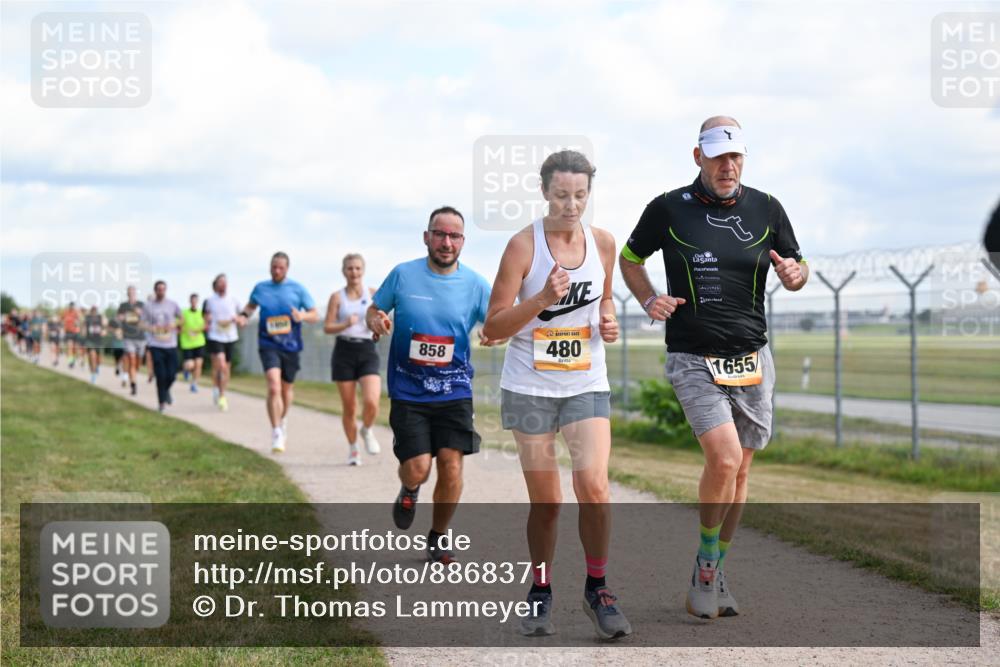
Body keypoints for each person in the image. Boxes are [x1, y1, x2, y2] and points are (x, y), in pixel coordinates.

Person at [620, 116, 808, 619]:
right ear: (698, 156)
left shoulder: (767, 207)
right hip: (692, 356)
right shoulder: (667, 208)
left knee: (740, 471)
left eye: (736, 156)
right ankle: (706, 568)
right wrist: (649, 299)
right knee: (724, 461)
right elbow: (630, 258)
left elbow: (797, 266)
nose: (728, 166)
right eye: (719, 156)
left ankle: (717, 569)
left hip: (753, 358)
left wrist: (796, 275)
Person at [483, 150, 631, 640]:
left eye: (581, 196)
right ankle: (541, 589)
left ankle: (598, 588)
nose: (572, 205)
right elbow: (494, 326)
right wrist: (544, 298)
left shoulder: (603, 243)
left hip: (585, 383)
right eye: (563, 195)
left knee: (594, 487)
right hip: (529, 386)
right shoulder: (522, 246)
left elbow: (604, 300)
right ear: (545, 191)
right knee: (547, 502)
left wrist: (608, 320)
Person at [366, 206, 499, 564]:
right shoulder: (403, 275)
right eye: (439, 234)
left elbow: (497, 323)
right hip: (409, 391)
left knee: (452, 466)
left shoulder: (475, 284)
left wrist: (494, 334)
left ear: (463, 241)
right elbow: (374, 310)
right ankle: (410, 488)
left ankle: (438, 536)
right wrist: (376, 320)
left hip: (455, 390)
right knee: (419, 468)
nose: (446, 242)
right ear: (426, 237)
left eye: (454, 236)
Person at [237, 252, 318, 453]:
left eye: (280, 267)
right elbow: (250, 307)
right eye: (274, 267)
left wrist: (302, 316)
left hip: (291, 345)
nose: (276, 270)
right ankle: (276, 432)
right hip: (268, 343)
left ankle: (282, 420)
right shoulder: (260, 287)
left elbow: (314, 315)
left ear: (287, 269)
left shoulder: (298, 289)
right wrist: (243, 316)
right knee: (274, 386)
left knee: (286, 389)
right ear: (269, 267)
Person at [324, 253, 382, 466]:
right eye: (350, 268)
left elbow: (382, 319)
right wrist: (345, 324)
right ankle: (353, 448)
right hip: (344, 350)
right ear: (344, 271)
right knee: (349, 407)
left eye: (357, 268)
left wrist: (379, 327)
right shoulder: (337, 297)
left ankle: (366, 429)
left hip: (367, 350)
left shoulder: (373, 293)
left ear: (363, 270)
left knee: (372, 401)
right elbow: (327, 326)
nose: (354, 272)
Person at [203, 273, 243, 412]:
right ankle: (217, 390)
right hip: (215, 336)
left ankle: (222, 393)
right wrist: (207, 321)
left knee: (226, 368)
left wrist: (238, 319)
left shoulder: (233, 299)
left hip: (230, 336)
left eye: (225, 282)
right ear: (216, 285)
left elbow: (242, 315)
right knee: (220, 364)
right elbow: (205, 316)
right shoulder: (210, 300)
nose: (223, 284)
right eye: (220, 282)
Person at [141, 280, 182, 413]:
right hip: (156, 344)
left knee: (172, 375)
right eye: (159, 289)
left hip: (171, 344)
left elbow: (181, 319)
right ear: (155, 291)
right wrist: (151, 327)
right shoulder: (148, 306)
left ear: (166, 290)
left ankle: (166, 390)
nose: (161, 291)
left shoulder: (172, 304)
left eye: (163, 289)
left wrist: (174, 324)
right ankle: (162, 403)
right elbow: (141, 323)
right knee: (161, 375)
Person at [117, 286, 145, 396]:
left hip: (140, 337)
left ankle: (133, 375)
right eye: (129, 292)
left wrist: (140, 313)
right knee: (132, 360)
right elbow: (119, 317)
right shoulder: (123, 306)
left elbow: (147, 317)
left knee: (138, 363)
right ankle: (133, 385)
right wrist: (124, 316)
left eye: (133, 292)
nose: (131, 294)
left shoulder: (141, 304)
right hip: (128, 336)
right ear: (127, 294)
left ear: (135, 293)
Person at [180, 293, 207, 393]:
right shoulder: (184, 312)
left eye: (195, 300)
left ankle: (194, 384)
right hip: (187, 342)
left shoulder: (201, 313)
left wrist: (196, 331)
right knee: (190, 365)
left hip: (199, 342)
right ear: (190, 301)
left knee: (198, 364)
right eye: (192, 300)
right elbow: (179, 324)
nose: (194, 302)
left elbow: (205, 325)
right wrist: (183, 329)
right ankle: (186, 370)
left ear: (197, 301)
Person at [83, 305, 106, 384]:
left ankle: (97, 366)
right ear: (91, 311)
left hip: (98, 341)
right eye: (93, 310)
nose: (94, 312)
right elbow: (84, 327)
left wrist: (104, 331)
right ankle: (93, 375)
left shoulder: (100, 317)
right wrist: (84, 331)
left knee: (98, 359)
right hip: (90, 340)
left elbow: (105, 326)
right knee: (92, 357)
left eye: (95, 310)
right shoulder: (87, 318)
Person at [61, 303, 81, 369]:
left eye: (72, 306)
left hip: (75, 332)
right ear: (69, 306)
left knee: (74, 349)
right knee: (70, 347)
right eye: (70, 306)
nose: (71, 307)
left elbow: (80, 321)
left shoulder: (76, 312)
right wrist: (63, 327)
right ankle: (70, 362)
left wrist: (78, 325)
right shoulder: (65, 312)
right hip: (68, 332)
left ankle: (73, 360)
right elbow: (61, 320)